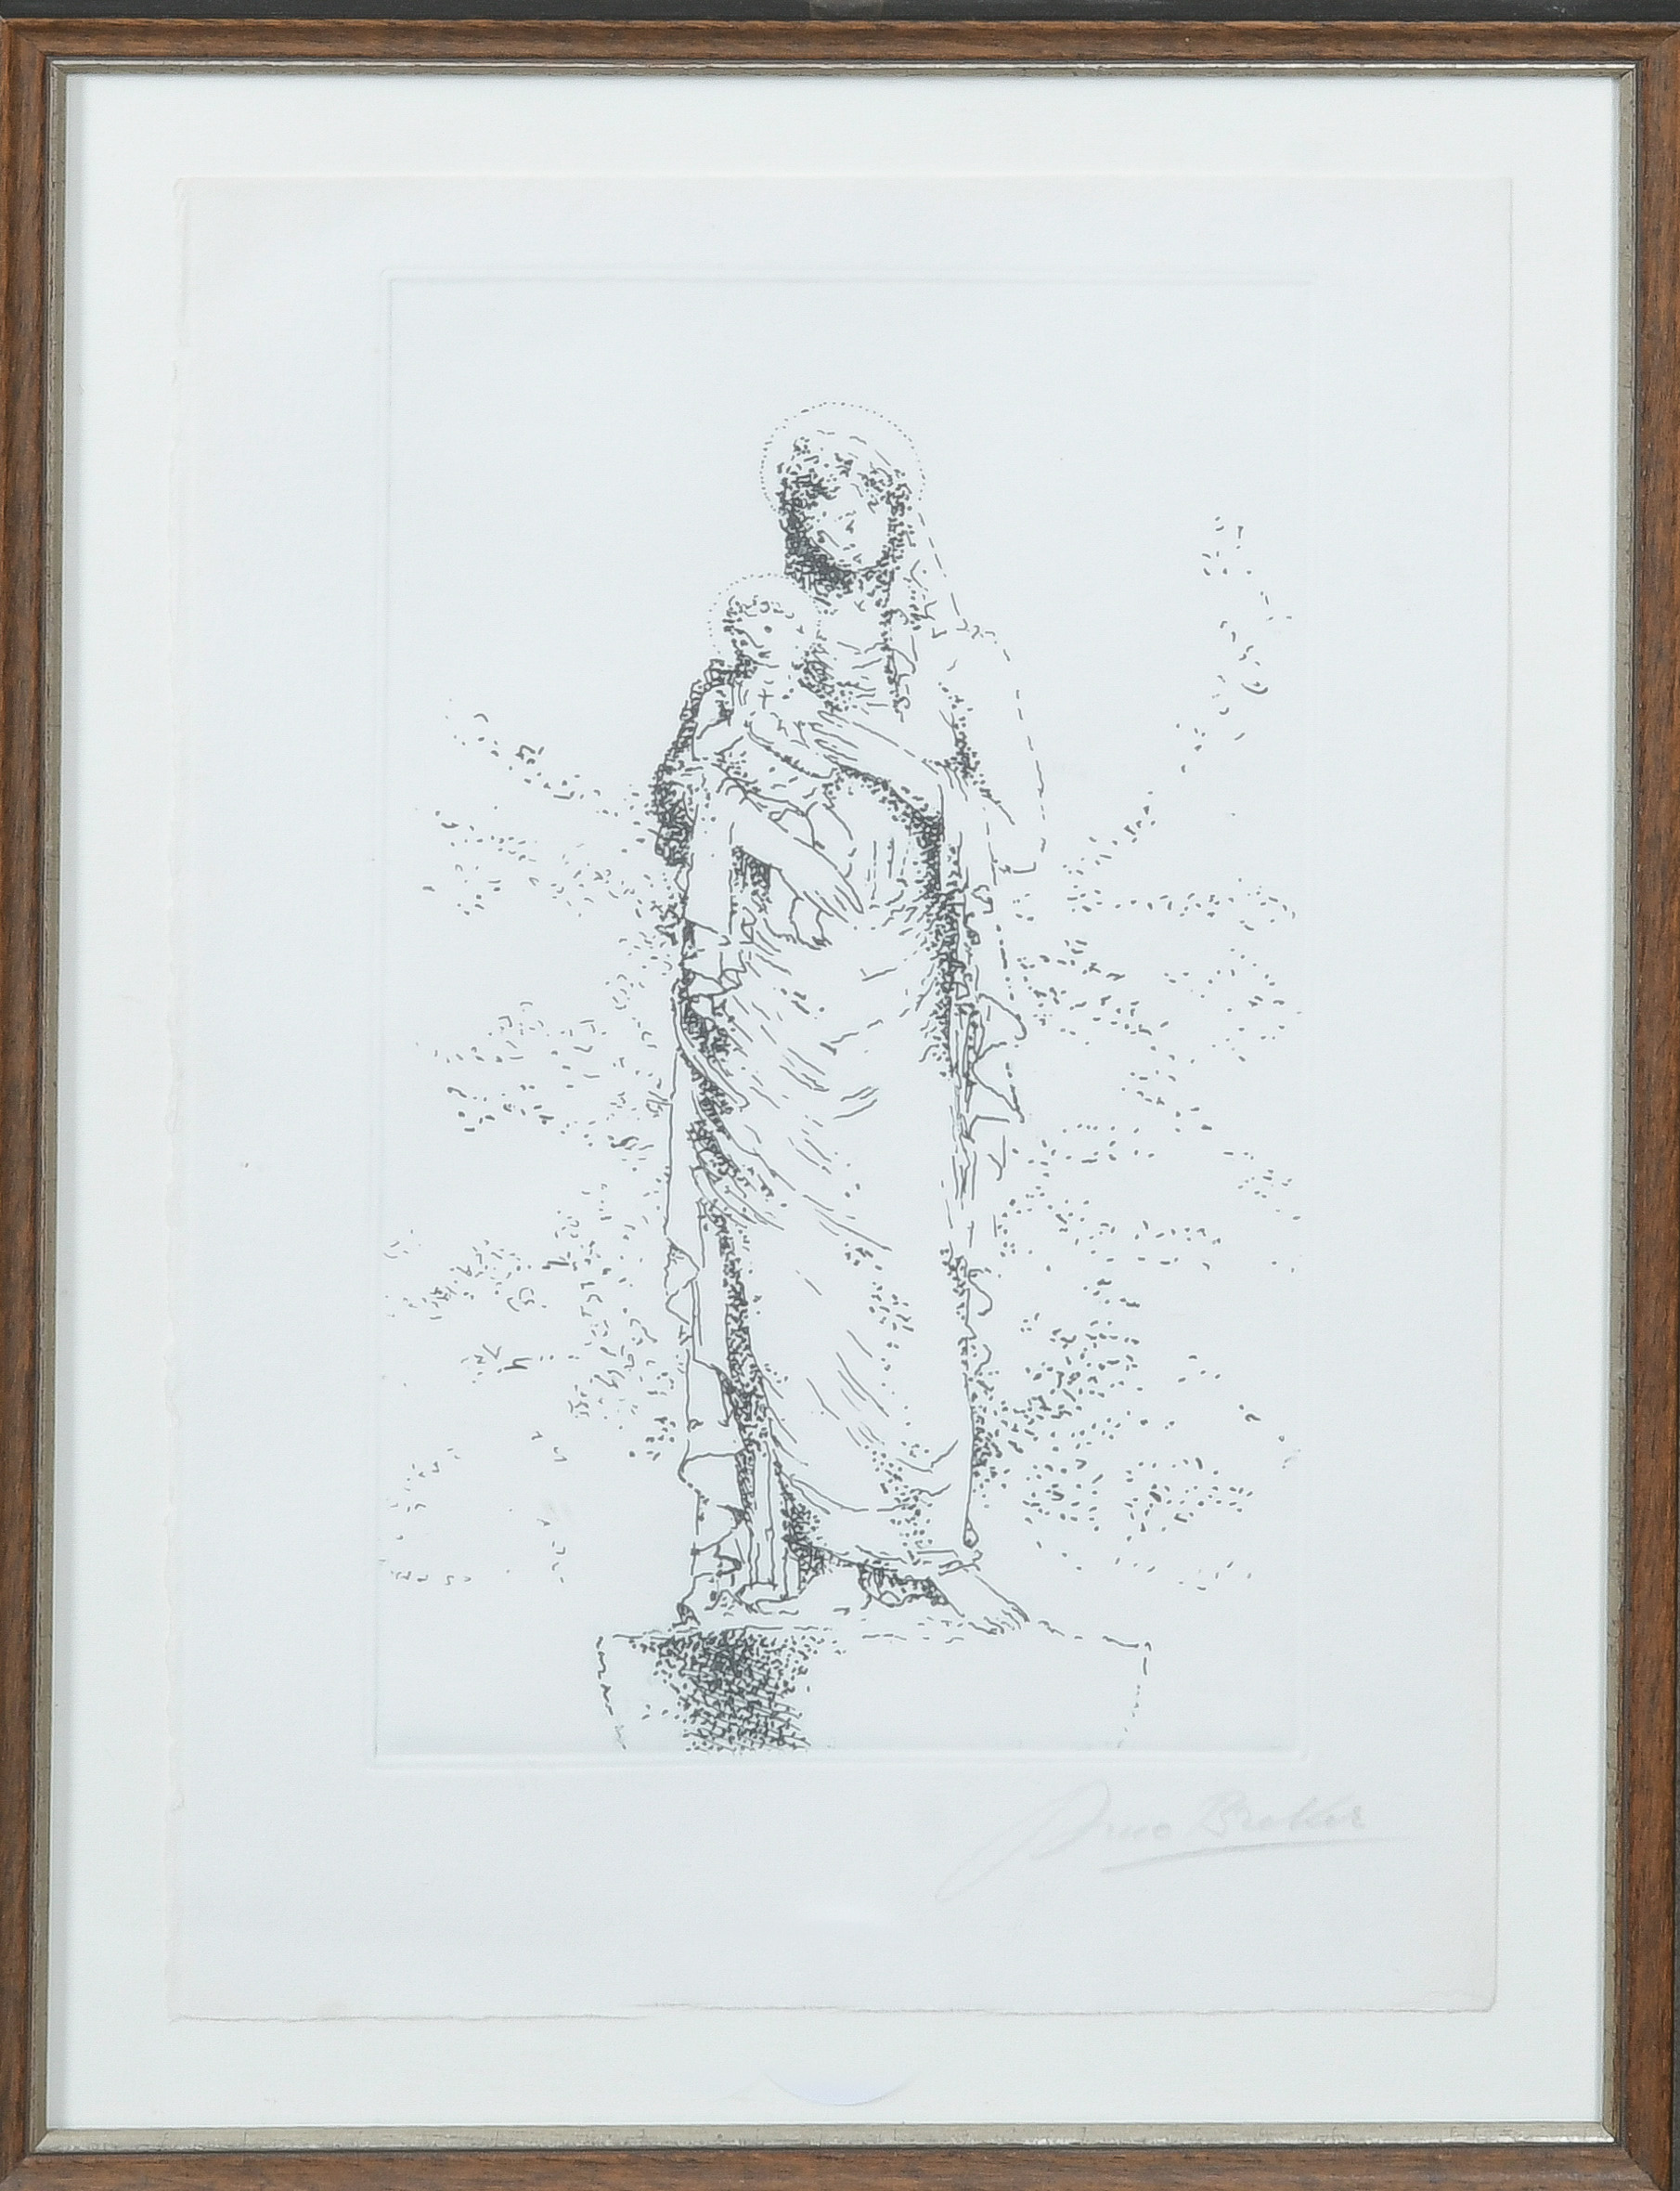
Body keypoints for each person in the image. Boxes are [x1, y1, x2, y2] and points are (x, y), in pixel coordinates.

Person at [653, 404, 1043, 1635]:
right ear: (794, 519)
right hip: (768, 1007)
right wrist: (727, 769)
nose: (843, 522)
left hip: (899, 1004)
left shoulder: (957, 662)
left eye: (864, 500)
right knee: (783, 1272)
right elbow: (675, 807)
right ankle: (823, 1547)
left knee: (905, 1264)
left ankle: (929, 1543)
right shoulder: (740, 655)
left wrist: (896, 769)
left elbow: (1017, 831)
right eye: (819, 500)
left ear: (897, 516)